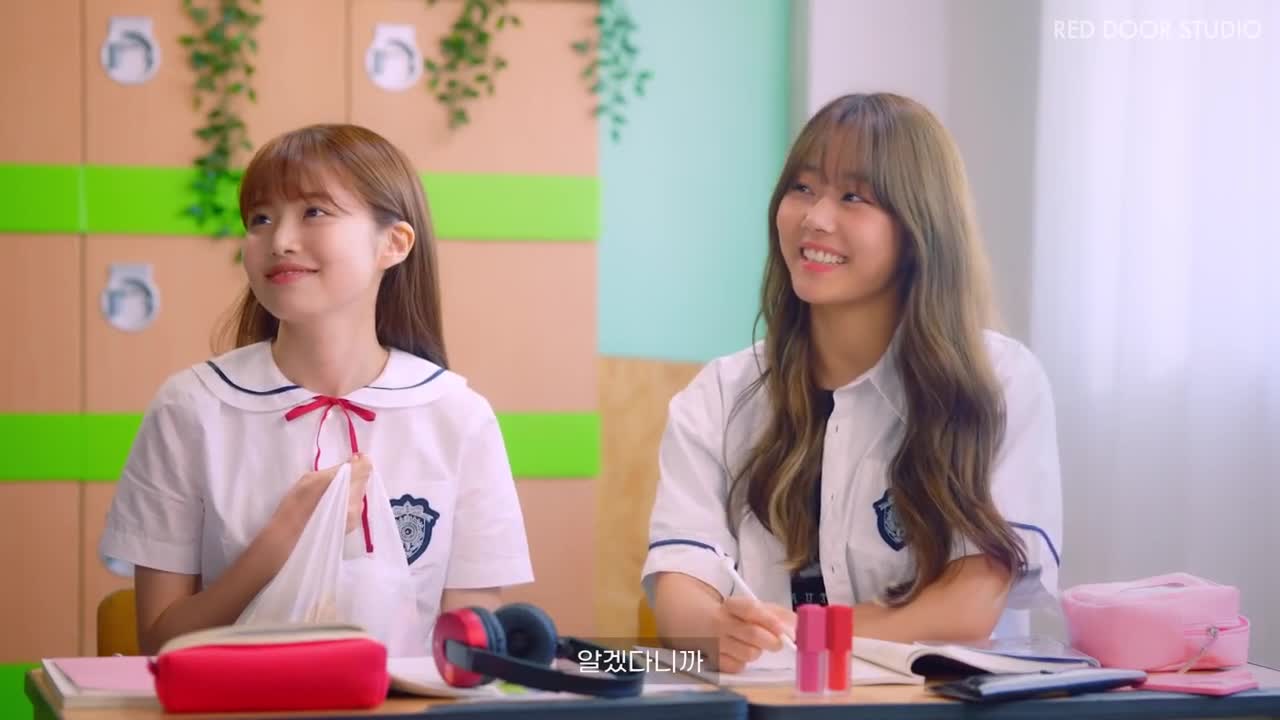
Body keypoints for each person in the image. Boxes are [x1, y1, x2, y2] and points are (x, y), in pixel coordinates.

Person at [642, 94, 1062, 673]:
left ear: (920, 227)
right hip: (775, 702)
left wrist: (808, 631)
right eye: (803, 188)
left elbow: (968, 607)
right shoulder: (720, 393)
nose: (815, 218)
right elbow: (680, 585)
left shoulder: (997, 382)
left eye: (853, 197)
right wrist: (714, 629)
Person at [100, 124, 533, 655]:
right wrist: (284, 540)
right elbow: (160, 643)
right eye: (260, 219)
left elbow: (468, 653)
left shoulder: (458, 416)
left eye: (314, 211)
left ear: (393, 243)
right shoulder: (190, 408)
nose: (279, 240)